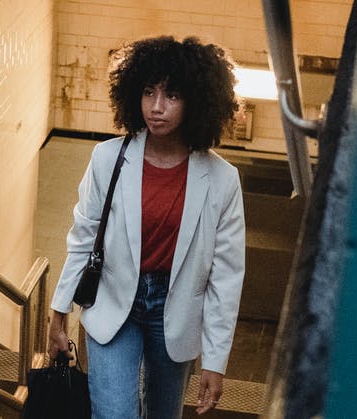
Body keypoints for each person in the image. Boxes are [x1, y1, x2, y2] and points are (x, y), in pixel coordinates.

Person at [48, 35, 246, 418]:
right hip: (112, 298)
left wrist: (215, 361)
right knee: (114, 414)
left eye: (171, 95)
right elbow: (84, 238)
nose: (157, 107)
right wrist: (60, 312)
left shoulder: (222, 180)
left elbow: (226, 277)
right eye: (148, 92)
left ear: (196, 101)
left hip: (176, 311)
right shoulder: (107, 158)